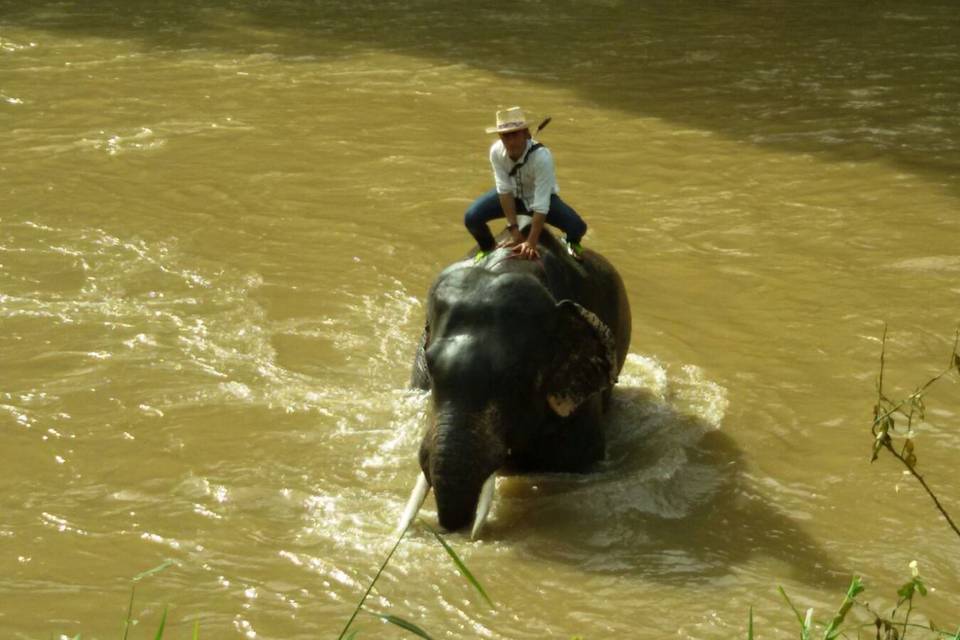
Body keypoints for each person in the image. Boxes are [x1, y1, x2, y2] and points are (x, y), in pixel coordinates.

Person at [464, 106, 587, 261]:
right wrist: (514, 231)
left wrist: (531, 242)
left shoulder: (542, 157)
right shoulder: (496, 151)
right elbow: (504, 191)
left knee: (578, 228)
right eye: (505, 136)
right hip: (513, 196)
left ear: (526, 134)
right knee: (472, 218)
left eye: (514, 134)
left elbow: (542, 203)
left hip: (539, 198)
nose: (510, 142)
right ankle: (488, 246)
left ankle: (570, 243)